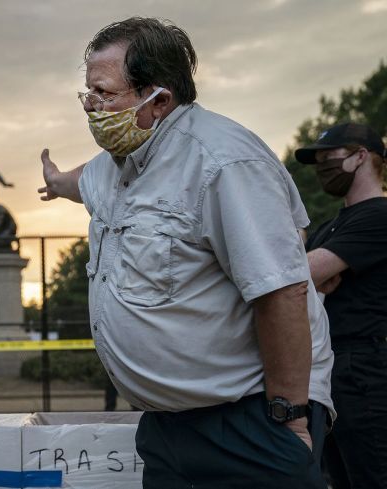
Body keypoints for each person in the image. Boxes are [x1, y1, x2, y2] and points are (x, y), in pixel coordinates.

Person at [37, 17, 334, 487]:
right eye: (86, 94)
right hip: (168, 427)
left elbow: (283, 294)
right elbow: (83, 180)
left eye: (104, 93)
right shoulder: (118, 165)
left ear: (159, 99)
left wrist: (290, 421)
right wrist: (56, 183)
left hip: (249, 420)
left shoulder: (223, 164)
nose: (91, 107)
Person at [296, 122, 387, 489]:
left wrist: (311, 275)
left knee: (372, 476)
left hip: (364, 369)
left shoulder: (378, 215)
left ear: (361, 156)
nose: (322, 169)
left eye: (329, 158)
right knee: (340, 479)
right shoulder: (332, 226)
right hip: (330, 368)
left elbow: (299, 273)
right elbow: (297, 281)